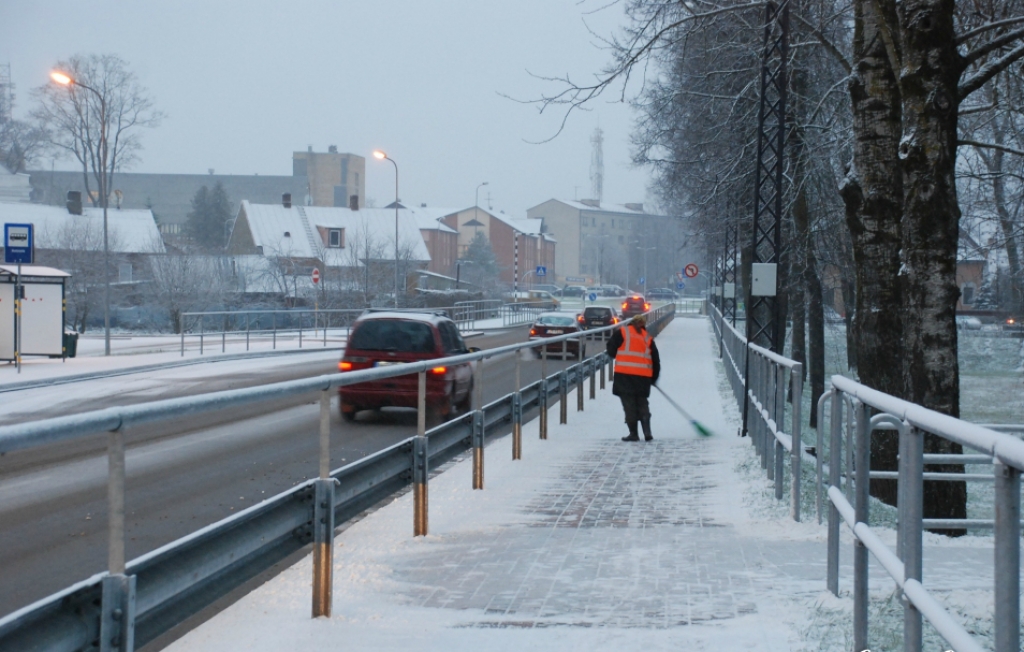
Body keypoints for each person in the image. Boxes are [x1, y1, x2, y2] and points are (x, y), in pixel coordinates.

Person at [606, 314, 661, 441]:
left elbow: (611, 350)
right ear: (643, 325)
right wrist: (653, 378)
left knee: (629, 404)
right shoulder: (647, 338)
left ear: (631, 322)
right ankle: (647, 432)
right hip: (643, 378)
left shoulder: (622, 332)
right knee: (642, 403)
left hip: (624, 375)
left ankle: (633, 434)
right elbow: (655, 360)